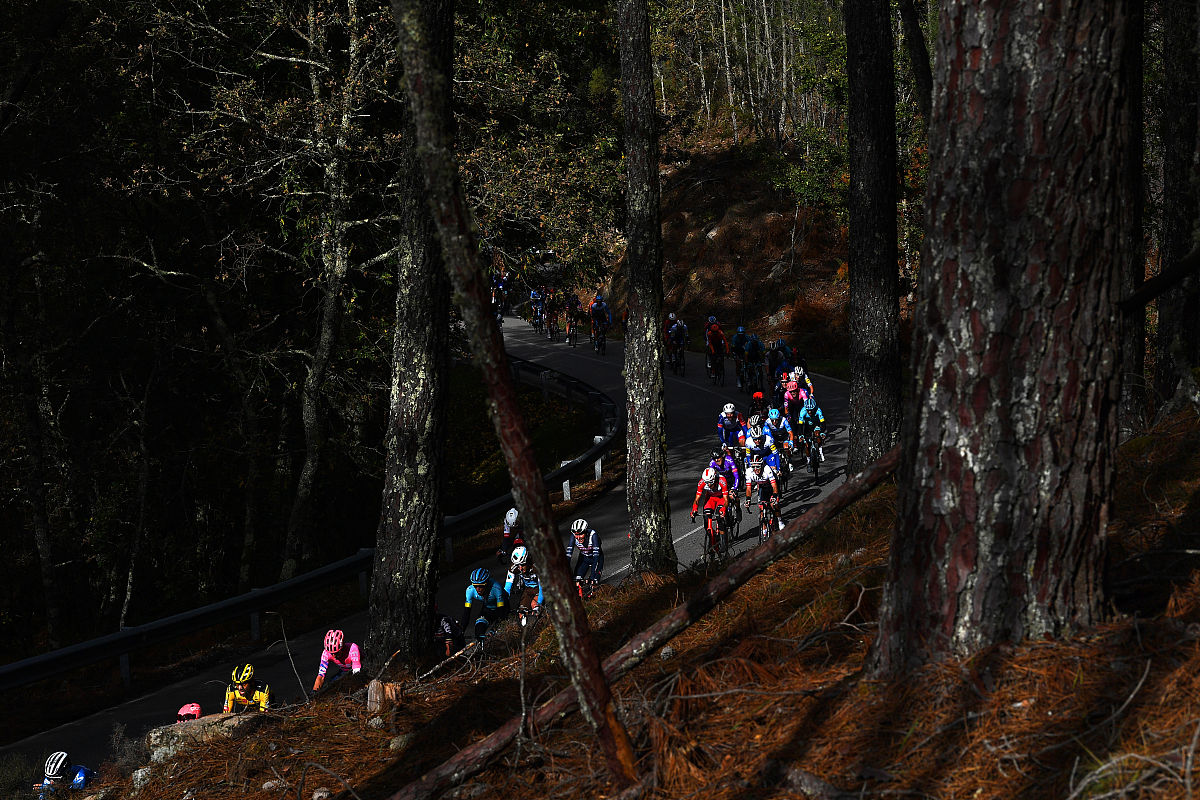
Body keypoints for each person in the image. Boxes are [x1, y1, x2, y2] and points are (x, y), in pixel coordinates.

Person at [690, 466, 731, 549]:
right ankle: (712, 537)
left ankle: (723, 541)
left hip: (721, 498)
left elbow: (726, 500)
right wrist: (694, 508)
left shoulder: (722, 481)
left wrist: (723, 508)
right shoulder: (702, 483)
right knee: (706, 518)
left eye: (710, 482)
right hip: (710, 499)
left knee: (719, 516)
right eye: (706, 482)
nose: (708, 485)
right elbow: (697, 499)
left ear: (715, 478)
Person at [462, 567, 507, 640]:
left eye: (481, 586)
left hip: (502, 608)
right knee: (479, 630)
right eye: (475, 586)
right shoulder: (470, 590)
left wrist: (494, 629)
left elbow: (501, 612)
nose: (478, 589)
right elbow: (466, 613)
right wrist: (462, 631)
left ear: (487, 583)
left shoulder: (496, 588)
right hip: (487, 608)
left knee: (497, 631)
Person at [504, 545, 544, 625]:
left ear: (527, 561)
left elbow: (542, 587)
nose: (520, 568)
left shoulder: (536, 566)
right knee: (521, 613)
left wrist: (538, 602)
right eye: (518, 565)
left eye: (522, 565)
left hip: (539, 587)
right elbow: (507, 588)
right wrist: (504, 603)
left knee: (534, 606)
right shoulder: (514, 567)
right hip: (527, 589)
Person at [744, 454, 784, 532]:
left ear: (762, 465)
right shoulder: (749, 471)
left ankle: (779, 521)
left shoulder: (767, 469)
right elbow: (748, 488)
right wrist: (748, 499)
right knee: (762, 507)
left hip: (771, 485)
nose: (755, 469)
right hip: (762, 486)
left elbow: (774, 485)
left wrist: (775, 496)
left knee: (774, 504)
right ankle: (764, 528)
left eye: (758, 466)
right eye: (753, 467)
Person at [566, 519, 604, 591]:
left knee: (594, 583)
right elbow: (568, 555)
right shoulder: (573, 536)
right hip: (584, 559)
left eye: (580, 534)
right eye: (576, 535)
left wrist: (592, 576)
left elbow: (596, 557)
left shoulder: (593, 535)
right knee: (576, 582)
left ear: (586, 532)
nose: (578, 537)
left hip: (596, 558)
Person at [797, 397, 827, 463]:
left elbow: (823, 423)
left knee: (817, 434)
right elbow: (800, 425)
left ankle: (821, 452)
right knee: (807, 445)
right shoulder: (803, 411)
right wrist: (800, 435)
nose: (810, 412)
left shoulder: (818, 410)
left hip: (816, 424)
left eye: (811, 410)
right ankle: (808, 461)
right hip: (807, 426)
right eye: (808, 410)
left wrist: (822, 432)